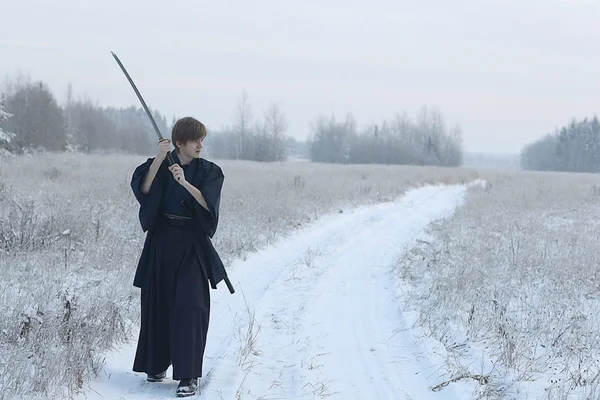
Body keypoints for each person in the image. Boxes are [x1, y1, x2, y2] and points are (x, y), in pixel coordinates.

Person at [129, 117, 230, 397]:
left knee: (190, 306)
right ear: (179, 143)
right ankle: (156, 364)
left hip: (191, 244)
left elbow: (209, 205)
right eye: (195, 140)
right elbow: (144, 191)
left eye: (202, 140)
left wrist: (184, 183)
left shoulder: (211, 171)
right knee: (158, 302)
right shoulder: (159, 164)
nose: (200, 145)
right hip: (161, 241)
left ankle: (188, 376)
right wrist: (158, 160)